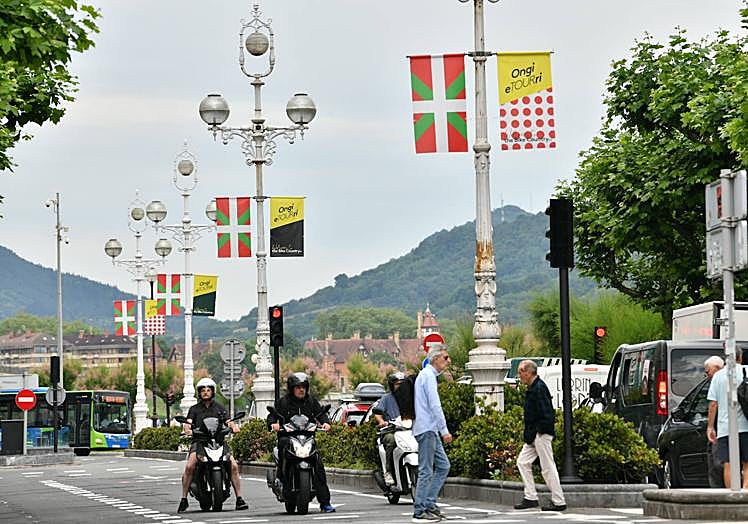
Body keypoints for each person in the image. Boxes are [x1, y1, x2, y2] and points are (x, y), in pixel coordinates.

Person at [268, 372, 336, 513]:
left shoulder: (311, 401)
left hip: (308, 438)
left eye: (304, 387)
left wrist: (326, 423)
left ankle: (325, 503)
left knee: (318, 465)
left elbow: (321, 414)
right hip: (288, 437)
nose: (301, 390)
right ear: (292, 388)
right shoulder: (283, 402)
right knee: (283, 449)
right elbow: (273, 415)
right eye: (298, 387)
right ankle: (281, 479)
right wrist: (273, 424)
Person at [178, 377, 247, 513]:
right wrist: (187, 430)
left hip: (219, 442)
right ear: (199, 392)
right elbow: (188, 422)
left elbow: (228, 421)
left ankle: (240, 498)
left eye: (208, 389)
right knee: (189, 466)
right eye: (203, 390)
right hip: (200, 442)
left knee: (233, 465)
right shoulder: (194, 409)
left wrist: (234, 427)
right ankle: (184, 499)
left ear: (213, 391)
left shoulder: (219, 408)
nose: (205, 392)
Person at [514, 359, 566, 512]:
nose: (519, 376)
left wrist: (539, 431)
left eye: (521, 372)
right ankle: (530, 497)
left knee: (548, 467)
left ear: (529, 372)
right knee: (523, 462)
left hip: (540, 434)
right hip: (534, 434)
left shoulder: (538, 389)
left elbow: (547, 413)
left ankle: (558, 501)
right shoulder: (535, 387)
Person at [412, 344, 452, 522]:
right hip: (428, 428)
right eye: (445, 358)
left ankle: (429, 503)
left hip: (429, 429)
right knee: (426, 470)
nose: (448, 361)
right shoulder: (427, 376)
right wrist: (444, 430)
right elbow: (435, 405)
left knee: (443, 466)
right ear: (435, 358)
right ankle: (420, 510)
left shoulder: (427, 376)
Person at [707, 348, 748, 488]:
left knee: (729, 464)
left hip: (725, 428)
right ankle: (745, 495)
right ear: (740, 357)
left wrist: (710, 427)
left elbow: (713, 404)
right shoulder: (747, 371)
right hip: (746, 426)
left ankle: (732, 496)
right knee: (747, 464)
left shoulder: (718, 376)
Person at [372, 371, 411, 485]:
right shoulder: (386, 398)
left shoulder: (409, 398)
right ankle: (388, 471)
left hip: (408, 431)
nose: (400, 386)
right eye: (397, 384)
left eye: (402, 384)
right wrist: (382, 422)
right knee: (391, 441)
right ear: (392, 385)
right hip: (391, 431)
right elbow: (378, 413)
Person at [704, 355, 725, 488]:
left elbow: (713, 404)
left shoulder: (717, 381)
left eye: (708, 371)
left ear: (717, 369)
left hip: (721, 429)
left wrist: (710, 427)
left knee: (718, 464)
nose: (707, 375)